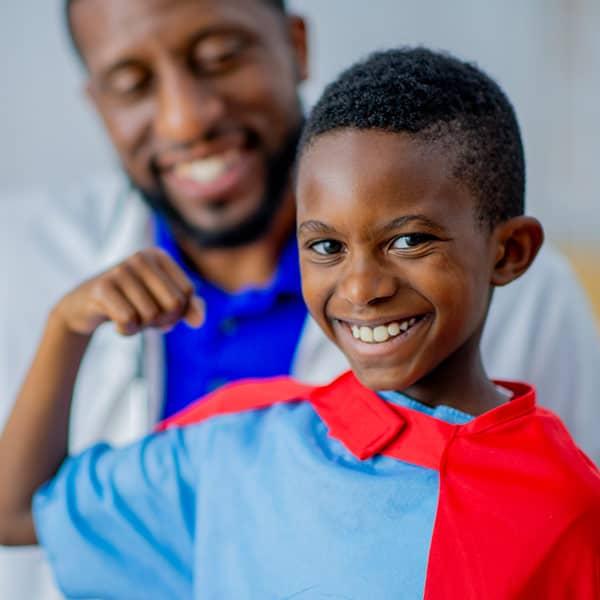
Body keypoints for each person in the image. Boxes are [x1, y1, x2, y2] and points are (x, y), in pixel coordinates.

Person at [1, 0, 599, 596]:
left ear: (510, 252)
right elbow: (18, 514)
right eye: (326, 247)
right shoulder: (244, 446)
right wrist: (66, 329)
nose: (363, 287)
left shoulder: (568, 505)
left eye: (410, 240)